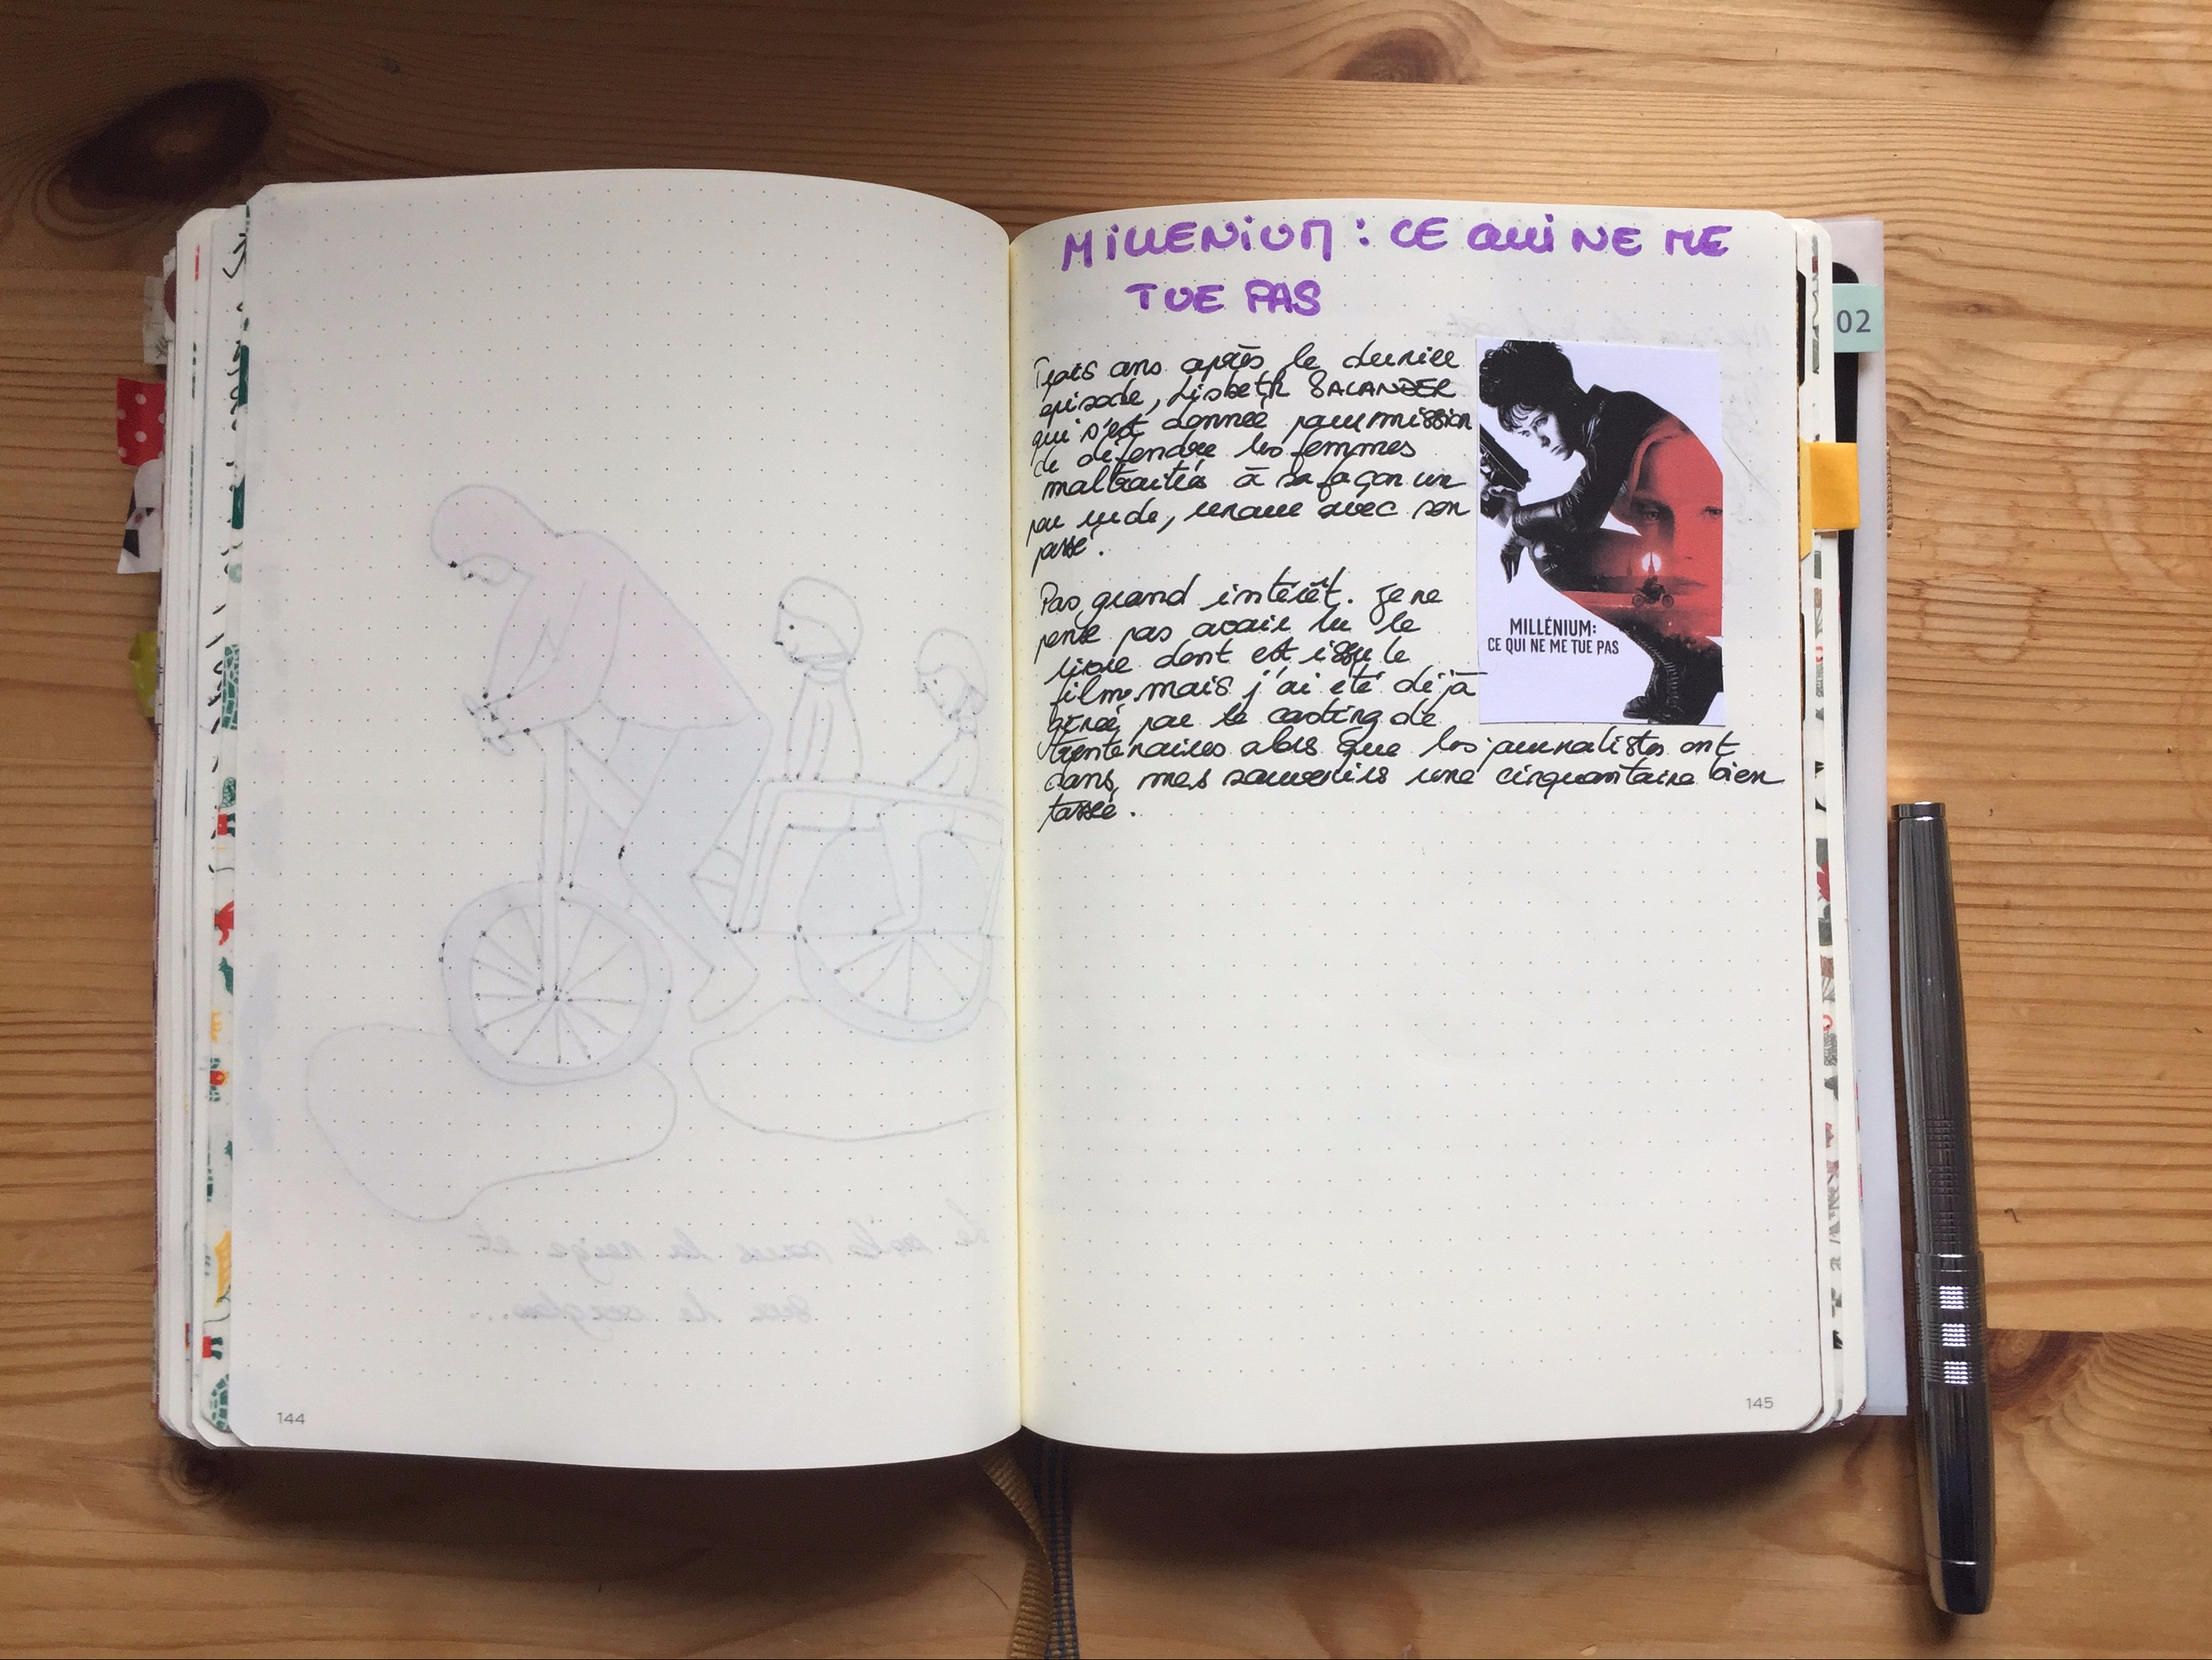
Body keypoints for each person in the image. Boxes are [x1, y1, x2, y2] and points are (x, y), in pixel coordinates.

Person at [432, 485, 770, 1021]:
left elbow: (574, 685)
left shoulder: (584, 564)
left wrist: (506, 715)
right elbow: (520, 637)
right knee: (595, 856)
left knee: (646, 862)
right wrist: (495, 700)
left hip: (712, 732)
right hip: (657, 730)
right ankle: (604, 981)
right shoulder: (552, 573)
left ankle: (730, 963)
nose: (465, 576)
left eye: (463, 563)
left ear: (489, 542)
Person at [1478, 340, 1725, 724]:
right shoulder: (1603, 429)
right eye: (1528, 433)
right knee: (1552, 545)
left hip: (1726, 576)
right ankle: (1675, 660)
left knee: (1552, 552)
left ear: (1566, 394)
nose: (1540, 440)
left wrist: (1519, 524)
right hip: (1697, 566)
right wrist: (1509, 517)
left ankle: (1693, 662)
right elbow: (1579, 519)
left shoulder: (1619, 415)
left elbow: (1579, 514)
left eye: (1540, 422)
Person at [877, 630, 989, 933]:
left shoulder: (966, 742)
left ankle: (910, 912)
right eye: (929, 687)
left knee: (897, 823)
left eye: (938, 683)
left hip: (948, 810)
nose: (935, 695)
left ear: (962, 675)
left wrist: (916, 792)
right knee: (893, 817)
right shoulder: (961, 741)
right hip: (942, 806)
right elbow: (937, 777)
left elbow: (954, 783)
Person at [773, 578, 863, 782]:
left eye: (791, 627)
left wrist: (797, 781)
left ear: (825, 630)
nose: (778, 638)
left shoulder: (825, 690)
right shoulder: (817, 684)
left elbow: (818, 742)